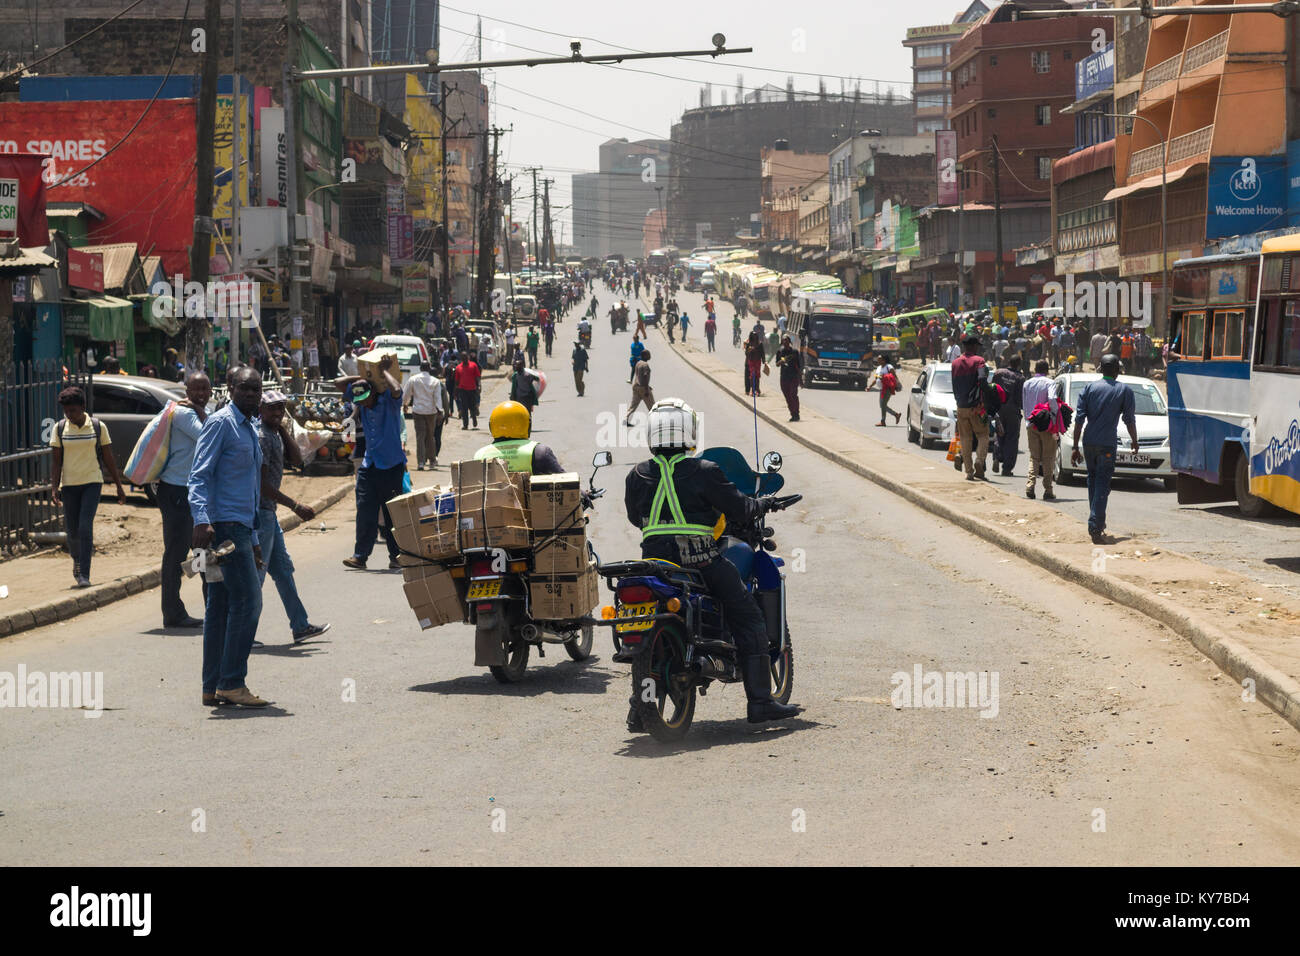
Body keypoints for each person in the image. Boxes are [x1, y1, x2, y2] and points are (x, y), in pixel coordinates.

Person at [623, 398, 799, 732]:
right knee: (747, 614)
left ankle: (638, 709)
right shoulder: (704, 471)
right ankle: (760, 701)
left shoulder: (637, 474)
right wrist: (761, 503)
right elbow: (740, 509)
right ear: (688, 433)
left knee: (645, 621)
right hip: (700, 559)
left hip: (655, 562)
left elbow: (635, 517)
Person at [189, 366, 267, 707]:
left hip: (240, 528)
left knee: (219, 606)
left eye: (256, 389)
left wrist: (254, 540)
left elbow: (248, 489)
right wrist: (201, 519)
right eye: (245, 389)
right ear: (230, 388)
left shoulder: (249, 427)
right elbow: (199, 475)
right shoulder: (221, 423)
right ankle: (232, 682)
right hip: (222, 528)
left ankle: (212, 685)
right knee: (249, 602)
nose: (251, 394)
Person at [255, 391, 330, 645]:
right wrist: (295, 505)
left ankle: (300, 625)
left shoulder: (274, 433)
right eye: (272, 409)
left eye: (281, 408)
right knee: (257, 577)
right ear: (261, 410)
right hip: (260, 513)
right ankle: (244, 633)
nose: (277, 413)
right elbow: (261, 485)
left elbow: (298, 461)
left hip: (269, 515)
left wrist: (284, 429)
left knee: (284, 571)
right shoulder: (262, 437)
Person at [50, 386, 127, 588]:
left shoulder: (98, 427)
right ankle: (76, 559)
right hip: (69, 485)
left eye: (73, 410)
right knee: (72, 531)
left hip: (92, 483)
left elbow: (109, 458)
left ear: (83, 407)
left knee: (85, 526)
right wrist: (54, 487)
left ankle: (84, 573)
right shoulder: (59, 429)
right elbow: (56, 462)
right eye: (66, 411)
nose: (69, 415)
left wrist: (119, 486)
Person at [157, 371, 212, 627]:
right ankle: (172, 612)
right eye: (196, 390)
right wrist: (202, 412)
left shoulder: (199, 412)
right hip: (177, 493)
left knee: (203, 551)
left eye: (205, 389)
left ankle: (212, 607)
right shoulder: (183, 414)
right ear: (187, 393)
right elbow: (208, 438)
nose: (201, 394)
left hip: (194, 494)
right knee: (177, 554)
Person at [342, 357, 407, 571]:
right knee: (365, 511)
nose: (362, 403)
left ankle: (396, 556)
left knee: (391, 514)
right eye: (359, 400)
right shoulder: (363, 405)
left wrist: (382, 371)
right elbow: (337, 383)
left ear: (373, 392)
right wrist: (364, 375)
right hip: (369, 466)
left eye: (365, 398)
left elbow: (397, 388)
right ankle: (360, 556)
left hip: (391, 466)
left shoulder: (388, 401)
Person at [1072, 354, 1139, 545]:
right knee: (1102, 482)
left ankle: (1098, 521)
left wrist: (1076, 446)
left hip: (1088, 442)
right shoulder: (1124, 390)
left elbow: (1079, 420)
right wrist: (1134, 441)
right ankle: (1095, 524)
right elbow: (1129, 420)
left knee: (1093, 480)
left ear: (1100, 369)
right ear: (1117, 370)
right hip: (1107, 444)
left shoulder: (1089, 388)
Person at [473, 401, 566, 475]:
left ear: (491, 426)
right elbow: (569, 484)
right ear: (528, 425)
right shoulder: (539, 451)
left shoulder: (480, 455)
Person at [1022, 360, 1063, 501]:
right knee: (1048, 457)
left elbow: (1025, 404)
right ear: (1046, 370)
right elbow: (1052, 398)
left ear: (1035, 369)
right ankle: (1048, 489)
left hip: (1031, 423)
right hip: (1046, 425)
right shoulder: (1049, 383)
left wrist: (1028, 420)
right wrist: (1054, 415)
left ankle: (1030, 486)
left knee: (1034, 457)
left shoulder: (1027, 383)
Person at [951, 334, 990, 481]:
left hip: (961, 406)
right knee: (983, 435)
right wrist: (987, 395)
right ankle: (979, 461)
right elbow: (982, 380)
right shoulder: (979, 361)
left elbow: (954, 386)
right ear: (974, 347)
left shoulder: (955, 363)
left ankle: (969, 472)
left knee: (965, 439)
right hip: (976, 407)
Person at [402, 361, 443, 470]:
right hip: (431, 412)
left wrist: (405, 404)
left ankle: (421, 462)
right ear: (429, 368)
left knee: (420, 437)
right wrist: (440, 411)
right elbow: (437, 398)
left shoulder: (413, 379)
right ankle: (432, 461)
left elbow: (406, 393)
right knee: (430, 436)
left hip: (418, 412)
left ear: (420, 368)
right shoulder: (436, 381)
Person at [990, 356, 1024, 477]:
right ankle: (1007, 468)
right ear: (1019, 364)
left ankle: (997, 456)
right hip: (1012, 411)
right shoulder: (1020, 378)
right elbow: (1020, 398)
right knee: (1012, 438)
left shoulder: (998, 373)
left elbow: (991, 388)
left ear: (1008, 362)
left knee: (999, 434)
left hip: (998, 409)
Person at [869, 354, 902, 427]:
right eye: (878, 359)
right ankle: (896, 415)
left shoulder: (889, 367)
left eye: (880, 359)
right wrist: (870, 386)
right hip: (881, 389)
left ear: (884, 360)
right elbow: (876, 379)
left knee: (883, 405)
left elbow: (893, 376)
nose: (878, 360)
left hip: (888, 388)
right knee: (882, 405)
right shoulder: (878, 368)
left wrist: (884, 378)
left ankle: (883, 421)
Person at [776, 334, 802, 422]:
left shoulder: (795, 352)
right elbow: (777, 364)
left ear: (789, 341)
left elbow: (799, 366)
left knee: (793, 395)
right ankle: (793, 414)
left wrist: (800, 379)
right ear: (782, 342)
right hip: (784, 377)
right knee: (787, 397)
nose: (785, 342)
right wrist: (782, 361)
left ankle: (796, 413)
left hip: (793, 377)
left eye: (786, 340)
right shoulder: (780, 352)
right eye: (783, 340)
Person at [454, 351, 482, 429]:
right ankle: (465, 424)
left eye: (466, 357)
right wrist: (455, 392)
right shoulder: (458, 368)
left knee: (472, 406)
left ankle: (474, 418)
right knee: (464, 408)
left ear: (468, 357)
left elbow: (477, 377)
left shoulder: (473, 365)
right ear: (461, 358)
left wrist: (479, 386)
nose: (465, 359)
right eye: (463, 357)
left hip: (472, 389)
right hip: (462, 390)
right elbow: (456, 381)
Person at [626, 350, 654, 425]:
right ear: (645, 356)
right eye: (648, 354)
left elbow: (638, 375)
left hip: (636, 386)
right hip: (643, 388)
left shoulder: (638, 363)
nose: (650, 356)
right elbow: (645, 376)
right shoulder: (645, 365)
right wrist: (646, 389)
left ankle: (626, 418)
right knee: (652, 405)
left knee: (633, 405)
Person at [744, 330, 765, 397]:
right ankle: (753, 390)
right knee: (752, 375)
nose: (755, 338)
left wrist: (764, 360)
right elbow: (746, 353)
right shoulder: (748, 344)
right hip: (751, 361)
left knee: (757, 376)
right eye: (753, 336)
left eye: (756, 336)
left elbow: (762, 353)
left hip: (758, 362)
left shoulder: (760, 344)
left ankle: (757, 389)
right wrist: (749, 350)